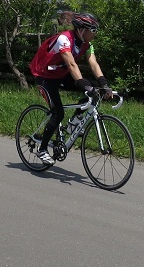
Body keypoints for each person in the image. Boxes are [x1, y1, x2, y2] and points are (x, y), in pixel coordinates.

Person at [28, 12, 112, 165]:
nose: (95, 33)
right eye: (93, 30)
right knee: (58, 113)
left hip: (60, 74)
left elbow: (94, 64)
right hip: (45, 75)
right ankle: (43, 149)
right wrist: (82, 83)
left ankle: (73, 123)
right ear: (82, 29)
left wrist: (104, 85)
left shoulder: (87, 45)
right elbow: (72, 65)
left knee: (93, 93)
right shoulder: (64, 39)